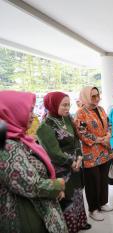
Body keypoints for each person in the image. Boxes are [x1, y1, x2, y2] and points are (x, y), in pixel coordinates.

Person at [0, 91, 67, 233]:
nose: (32, 115)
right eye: (28, 110)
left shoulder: (19, 138)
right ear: (12, 112)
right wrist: (58, 185)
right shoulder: (6, 146)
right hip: (26, 216)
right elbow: (30, 185)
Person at [37, 92, 91, 232]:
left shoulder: (66, 118)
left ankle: (80, 222)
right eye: (64, 105)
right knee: (67, 197)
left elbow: (76, 140)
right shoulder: (45, 126)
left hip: (76, 165)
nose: (67, 108)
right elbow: (53, 152)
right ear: (53, 105)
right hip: (61, 169)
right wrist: (71, 162)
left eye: (69, 104)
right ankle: (70, 227)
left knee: (78, 194)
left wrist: (79, 157)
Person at [74, 86, 113, 221]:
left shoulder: (101, 109)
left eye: (98, 95)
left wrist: (108, 135)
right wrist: (99, 140)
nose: (97, 99)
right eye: (93, 96)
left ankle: (102, 203)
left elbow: (109, 124)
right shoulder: (81, 113)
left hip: (104, 151)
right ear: (86, 97)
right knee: (93, 182)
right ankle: (93, 209)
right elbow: (82, 133)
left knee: (103, 179)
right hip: (90, 153)